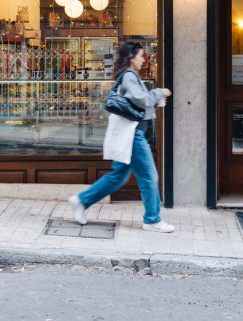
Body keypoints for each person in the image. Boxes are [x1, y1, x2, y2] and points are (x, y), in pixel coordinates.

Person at [68, 42, 175, 233]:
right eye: (141, 56)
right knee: (149, 177)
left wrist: (155, 103)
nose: (144, 59)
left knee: (118, 176)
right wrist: (160, 92)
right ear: (131, 58)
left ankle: (81, 201)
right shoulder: (129, 77)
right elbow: (141, 100)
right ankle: (152, 220)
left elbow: (136, 103)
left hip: (130, 133)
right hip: (133, 136)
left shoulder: (129, 77)